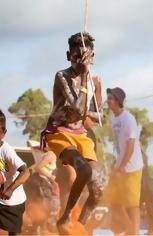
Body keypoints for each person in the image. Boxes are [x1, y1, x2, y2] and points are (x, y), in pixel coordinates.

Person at [41, 32, 106, 233]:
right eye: (76, 56)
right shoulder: (62, 76)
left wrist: (90, 87)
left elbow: (98, 116)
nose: (80, 61)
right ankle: (66, 216)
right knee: (84, 171)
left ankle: (79, 227)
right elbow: (78, 110)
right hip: (58, 132)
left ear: (92, 57)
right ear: (68, 55)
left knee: (98, 189)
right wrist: (85, 76)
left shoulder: (94, 81)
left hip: (81, 135)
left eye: (84, 57)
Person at [105, 87, 143, 235]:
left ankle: (135, 233)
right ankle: (129, 229)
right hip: (119, 165)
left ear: (118, 101)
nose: (108, 101)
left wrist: (121, 168)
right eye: (108, 98)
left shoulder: (128, 119)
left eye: (111, 98)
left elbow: (130, 146)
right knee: (113, 201)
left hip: (132, 167)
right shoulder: (113, 118)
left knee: (133, 204)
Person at [0, 110, 30, 235]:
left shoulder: (7, 151)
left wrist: (10, 189)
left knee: (14, 233)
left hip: (14, 201)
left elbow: (26, 172)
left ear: (3, 133)